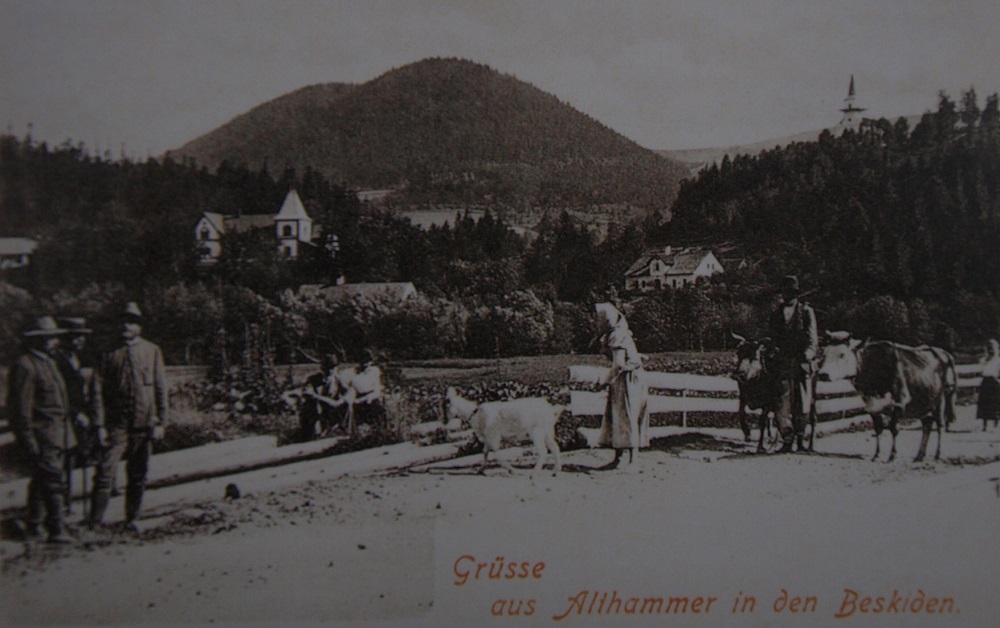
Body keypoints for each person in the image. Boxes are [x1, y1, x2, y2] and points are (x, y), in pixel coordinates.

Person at [87, 302, 168, 529]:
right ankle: (94, 523)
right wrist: (98, 425)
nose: (127, 326)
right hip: (116, 425)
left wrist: (161, 421)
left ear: (139, 327)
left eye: (132, 322)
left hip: (143, 423)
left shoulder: (151, 351)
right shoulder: (107, 353)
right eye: (123, 321)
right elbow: (96, 391)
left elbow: (160, 388)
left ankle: (132, 518)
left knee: (138, 473)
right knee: (105, 471)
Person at [6, 316, 74, 543]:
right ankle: (57, 529)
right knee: (54, 481)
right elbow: (20, 410)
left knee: (41, 479)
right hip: (41, 436)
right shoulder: (25, 366)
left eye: (54, 337)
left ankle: (34, 524)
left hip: (56, 435)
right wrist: (27, 439)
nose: (54, 341)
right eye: (49, 338)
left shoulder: (48, 362)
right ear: (36, 340)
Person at [768, 275, 818, 453]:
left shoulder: (806, 312)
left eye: (790, 293)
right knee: (782, 405)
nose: (787, 296)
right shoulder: (776, 314)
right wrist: (773, 350)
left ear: (796, 294)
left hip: (801, 364)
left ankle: (801, 440)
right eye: (785, 292)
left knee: (802, 404)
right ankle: (787, 440)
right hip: (783, 364)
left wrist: (807, 355)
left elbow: (812, 340)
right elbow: (773, 338)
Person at [595, 302, 649, 469]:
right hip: (622, 378)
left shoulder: (617, 335)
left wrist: (604, 381)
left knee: (628, 415)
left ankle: (633, 460)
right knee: (617, 417)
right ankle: (618, 458)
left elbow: (618, 364)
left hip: (629, 379)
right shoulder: (614, 334)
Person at [55, 317, 106, 486]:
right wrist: (75, 413)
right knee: (62, 465)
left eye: (82, 336)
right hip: (64, 420)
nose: (80, 340)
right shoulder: (55, 361)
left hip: (84, 421)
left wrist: (96, 420)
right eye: (75, 336)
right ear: (64, 338)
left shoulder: (85, 358)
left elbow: (94, 391)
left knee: (81, 459)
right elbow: (58, 395)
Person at [298, 353, 342, 440]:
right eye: (327, 368)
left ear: (336, 368)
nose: (330, 371)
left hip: (332, 411)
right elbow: (306, 392)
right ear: (322, 368)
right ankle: (312, 433)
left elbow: (336, 403)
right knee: (311, 405)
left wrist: (316, 396)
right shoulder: (313, 379)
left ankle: (325, 431)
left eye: (332, 368)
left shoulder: (339, 381)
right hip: (316, 410)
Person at [976, 339, 1000, 432]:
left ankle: (995, 425)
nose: (991, 350)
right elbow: (981, 371)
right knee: (984, 404)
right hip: (985, 382)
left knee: (996, 404)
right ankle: (984, 425)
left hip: (995, 382)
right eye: (989, 348)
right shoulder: (983, 360)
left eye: (992, 348)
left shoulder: (998, 360)